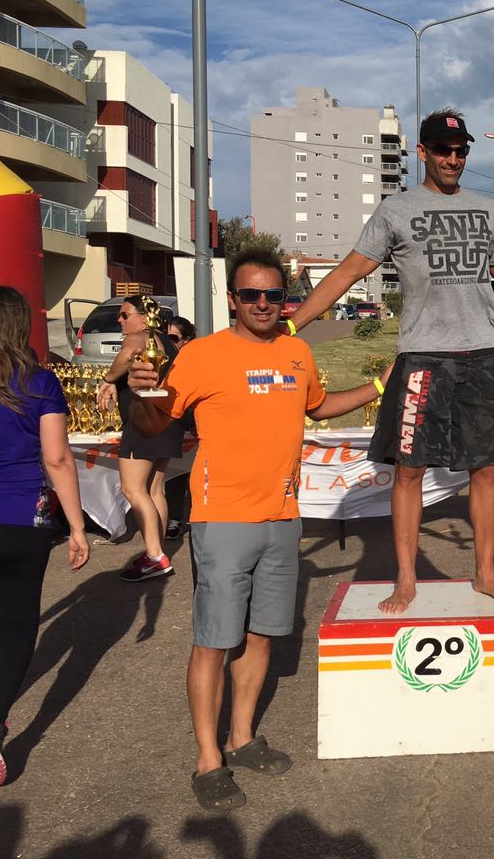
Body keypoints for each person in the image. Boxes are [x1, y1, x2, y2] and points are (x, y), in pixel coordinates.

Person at [288, 108, 494, 614]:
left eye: (461, 151)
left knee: (486, 470)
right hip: (423, 356)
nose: (453, 159)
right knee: (409, 472)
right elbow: (347, 272)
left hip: (481, 354)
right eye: (443, 150)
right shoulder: (395, 210)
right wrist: (292, 326)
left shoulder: (485, 209)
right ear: (422, 152)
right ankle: (406, 579)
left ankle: (485, 574)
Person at [127, 247, 384, 812]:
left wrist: (378, 387)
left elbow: (318, 407)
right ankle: (208, 759)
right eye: (251, 294)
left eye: (273, 295)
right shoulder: (201, 354)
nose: (263, 304)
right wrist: (143, 391)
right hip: (222, 519)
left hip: (283, 518)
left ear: (284, 300)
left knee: (263, 635)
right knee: (214, 641)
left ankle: (241, 738)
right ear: (233, 299)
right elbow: (154, 421)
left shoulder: (297, 352)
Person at [0, 285, 90, 787]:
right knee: (15, 625)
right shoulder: (40, 381)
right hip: (20, 518)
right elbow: (57, 459)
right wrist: (77, 526)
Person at [94, 295, 183, 581]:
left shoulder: (139, 337)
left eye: (125, 315)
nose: (119, 320)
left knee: (132, 489)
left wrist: (108, 380)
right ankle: (156, 552)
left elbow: (126, 355)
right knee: (155, 490)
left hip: (143, 422)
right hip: (167, 419)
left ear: (144, 317)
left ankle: (155, 557)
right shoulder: (164, 340)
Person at [163, 315, 197, 540]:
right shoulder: (162, 361)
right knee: (174, 474)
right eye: (166, 338)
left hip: (196, 425)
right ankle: (174, 518)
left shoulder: (197, 361)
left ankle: (200, 517)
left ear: (187, 340)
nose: (169, 343)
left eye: (174, 338)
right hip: (175, 426)